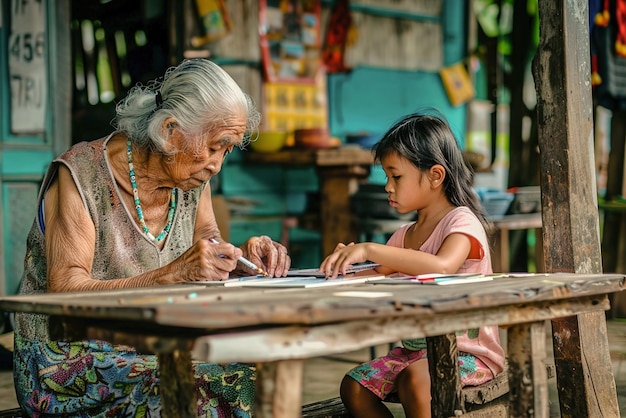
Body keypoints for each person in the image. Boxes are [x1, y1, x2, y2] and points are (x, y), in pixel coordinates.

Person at [13, 58, 291, 417]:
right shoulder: (80, 174)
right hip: (65, 357)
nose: (217, 164)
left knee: (262, 376)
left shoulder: (191, 177)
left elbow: (207, 249)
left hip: (153, 343)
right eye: (215, 146)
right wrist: (170, 274)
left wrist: (239, 260)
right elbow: (65, 289)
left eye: (227, 150)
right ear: (172, 130)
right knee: (204, 392)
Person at [320, 111, 506, 418]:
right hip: (415, 352)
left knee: (417, 380)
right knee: (354, 386)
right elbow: (376, 274)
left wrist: (369, 248)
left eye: (396, 176)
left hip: (467, 355)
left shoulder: (462, 222)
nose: (388, 187)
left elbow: (442, 265)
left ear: (435, 175)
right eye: (386, 177)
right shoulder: (405, 235)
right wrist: (341, 268)